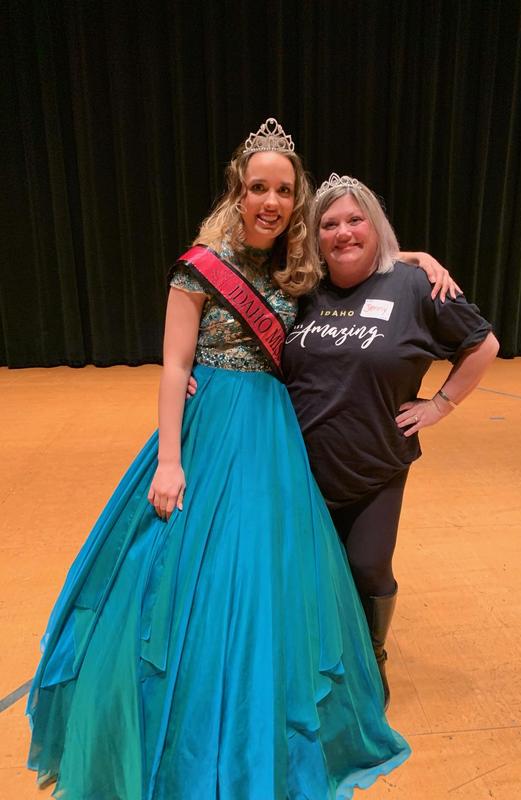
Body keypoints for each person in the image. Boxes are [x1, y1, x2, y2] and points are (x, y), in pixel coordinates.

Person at [26, 121, 415, 799]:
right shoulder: (198, 266)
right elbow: (175, 366)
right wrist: (170, 460)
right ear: (238, 191)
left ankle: (261, 701)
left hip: (272, 433)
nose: (270, 200)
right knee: (183, 568)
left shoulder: (295, 271)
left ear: (297, 200)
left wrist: (421, 258)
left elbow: (363, 249)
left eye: (284, 190)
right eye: (258, 186)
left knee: (265, 569)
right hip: (209, 430)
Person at [281, 173, 500, 709]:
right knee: (304, 571)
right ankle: (314, 656)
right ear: (315, 236)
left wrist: (440, 404)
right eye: (329, 224)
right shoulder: (301, 291)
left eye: (356, 220)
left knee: (367, 566)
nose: (343, 232)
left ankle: (372, 652)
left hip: (375, 463)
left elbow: (483, 344)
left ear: (376, 228)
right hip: (298, 465)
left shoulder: (414, 287)